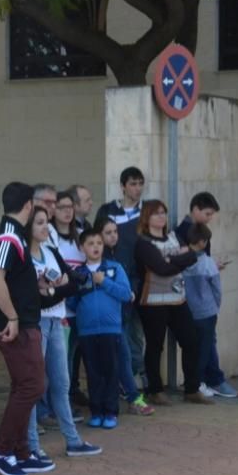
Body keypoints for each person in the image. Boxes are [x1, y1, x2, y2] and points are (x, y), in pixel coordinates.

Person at [0, 182, 49, 475]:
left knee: (25, 385)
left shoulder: (15, 237)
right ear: (27, 205)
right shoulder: (9, 237)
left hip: (23, 322)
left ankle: (21, 451)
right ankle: (2, 450)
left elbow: (8, 278)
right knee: (32, 386)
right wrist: (11, 316)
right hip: (16, 326)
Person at [24, 207, 102, 457]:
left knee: (61, 382)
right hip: (36, 324)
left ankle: (73, 440)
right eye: (39, 223)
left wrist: (51, 291)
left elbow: (72, 282)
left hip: (57, 321)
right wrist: (52, 291)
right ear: (28, 227)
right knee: (35, 385)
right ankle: (32, 445)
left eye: (46, 223)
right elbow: (35, 296)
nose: (46, 228)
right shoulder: (24, 256)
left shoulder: (50, 251)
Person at [133, 200, 211, 406]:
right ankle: (155, 390)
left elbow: (190, 258)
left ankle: (192, 388)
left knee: (191, 340)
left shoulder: (174, 236)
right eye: (156, 213)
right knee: (155, 346)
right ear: (146, 217)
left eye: (164, 213)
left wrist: (172, 260)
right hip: (153, 301)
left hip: (177, 297)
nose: (161, 217)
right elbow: (161, 269)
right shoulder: (143, 243)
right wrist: (176, 260)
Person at [69, 228, 134, 430]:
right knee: (92, 372)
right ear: (82, 248)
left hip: (111, 329)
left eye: (99, 243)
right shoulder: (78, 274)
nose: (95, 247)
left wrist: (103, 282)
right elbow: (71, 301)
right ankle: (96, 411)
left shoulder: (114, 268)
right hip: (87, 331)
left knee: (111, 371)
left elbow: (125, 294)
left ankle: (111, 411)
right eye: (90, 243)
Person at [175, 192, 238, 398]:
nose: (209, 218)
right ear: (195, 209)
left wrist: (211, 265)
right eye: (207, 213)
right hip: (196, 301)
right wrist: (209, 267)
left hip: (196, 299)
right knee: (203, 342)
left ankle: (204, 380)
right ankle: (205, 380)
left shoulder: (198, 233)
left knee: (205, 341)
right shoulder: (183, 233)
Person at [94, 216, 154, 417]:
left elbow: (130, 281)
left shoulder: (122, 254)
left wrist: (131, 291)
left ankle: (132, 397)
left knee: (125, 356)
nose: (113, 237)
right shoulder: (96, 262)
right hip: (96, 320)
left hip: (121, 315)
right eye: (108, 233)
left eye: (115, 232)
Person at [95, 167, 147, 391]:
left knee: (135, 335)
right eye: (133, 183)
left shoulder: (146, 212)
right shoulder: (108, 210)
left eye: (140, 183)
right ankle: (120, 382)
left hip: (137, 282)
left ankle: (134, 379)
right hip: (110, 283)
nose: (137, 188)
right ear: (123, 186)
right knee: (118, 336)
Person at [51, 191, 87, 411]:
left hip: (80, 306)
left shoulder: (81, 236)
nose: (66, 211)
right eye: (61, 206)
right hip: (59, 307)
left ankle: (71, 395)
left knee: (74, 357)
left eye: (70, 207)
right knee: (60, 360)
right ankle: (58, 404)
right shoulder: (50, 236)